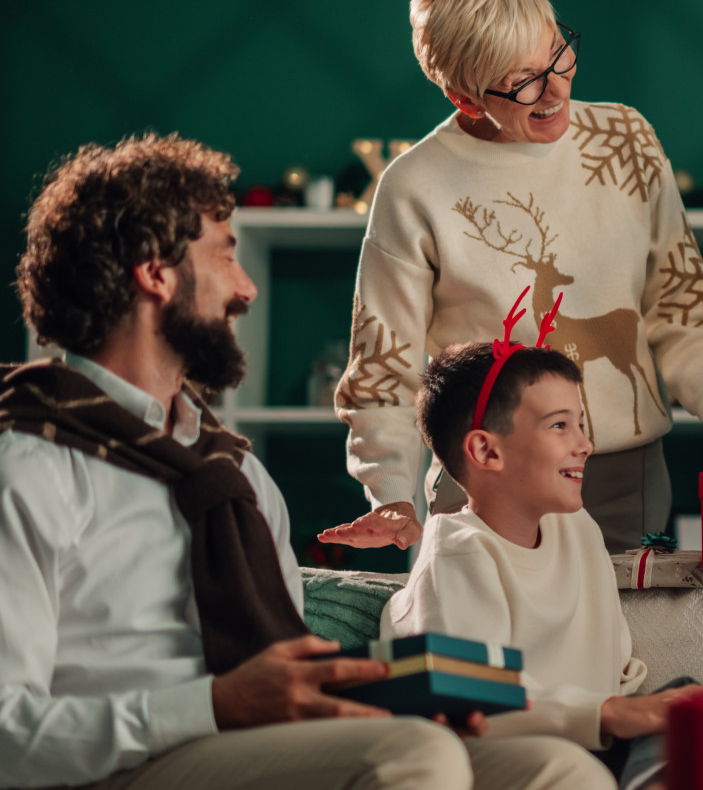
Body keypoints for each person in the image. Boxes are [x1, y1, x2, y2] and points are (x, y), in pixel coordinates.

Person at [0, 134, 607, 789]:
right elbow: (9, 734)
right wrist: (214, 706)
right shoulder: (29, 467)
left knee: (554, 767)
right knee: (411, 756)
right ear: (156, 273)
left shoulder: (236, 477)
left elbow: (283, 672)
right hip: (114, 767)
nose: (246, 289)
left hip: (249, 747)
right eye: (225, 256)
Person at [321, 0, 703, 556]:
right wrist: (392, 494)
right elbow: (383, 365)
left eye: (557, 55)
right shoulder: (413, 186)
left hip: (627, 478)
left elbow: (678, 301)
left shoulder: (626, 139)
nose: (554, 91)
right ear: (464, 98)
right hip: (487, 483)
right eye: (523, 81)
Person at [382, 337, 703, 790]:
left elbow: (610, 667)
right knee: (568, 764)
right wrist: (613, 712)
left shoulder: (577, 530)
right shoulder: (459, 550)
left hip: (598, 737)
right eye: (559, 426)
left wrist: (657, 709)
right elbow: (468, 703)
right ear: (487, 451)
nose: (586, 444)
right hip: (522, 743)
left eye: (581, 424)